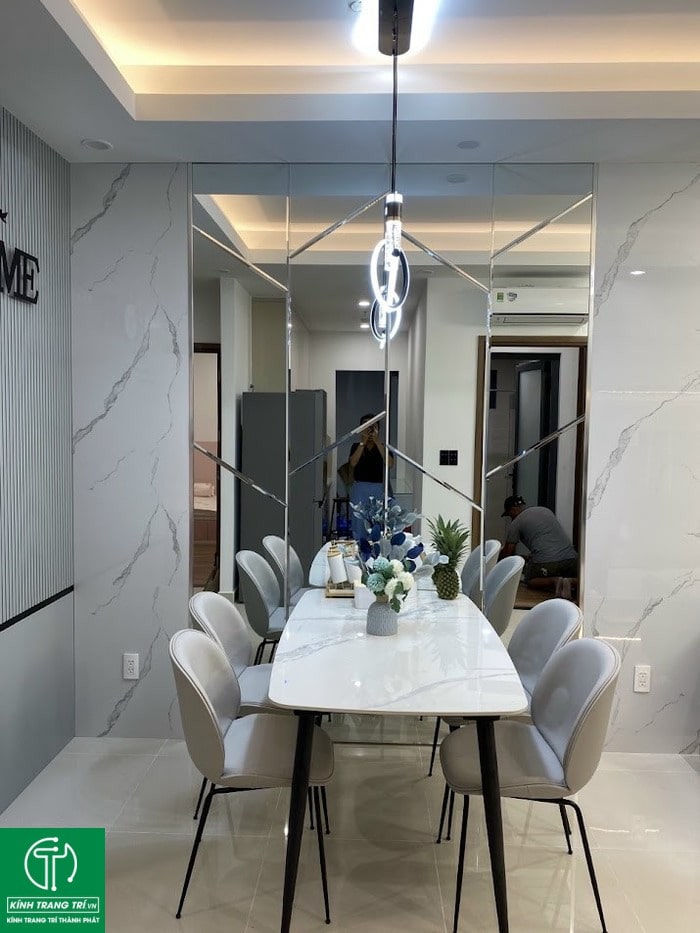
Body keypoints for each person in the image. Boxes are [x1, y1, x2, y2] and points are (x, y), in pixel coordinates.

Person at [499, 495, 578, 594]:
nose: (510, 518)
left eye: (509, 514)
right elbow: (549, 540)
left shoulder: (516, 523)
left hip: (548, 563)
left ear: (513, 510)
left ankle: (555, 581)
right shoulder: (545, 511)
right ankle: (572, 582)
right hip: (571, 559)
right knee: (577, 576)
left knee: (530, 580)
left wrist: (497, 563)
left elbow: (508, 552)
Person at [348, 413, 394, 541]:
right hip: (360, 489)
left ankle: (378, 548)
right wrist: (363, 442)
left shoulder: (384, 447)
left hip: (379, 488)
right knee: (359, 522)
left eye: (372, 427)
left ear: (377, 429)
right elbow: (353, 463)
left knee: (378, 522)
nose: (369, 430)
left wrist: (377, 441)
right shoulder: (356, 446)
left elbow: (390, 464)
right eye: (366, 427)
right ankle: (359, 545)